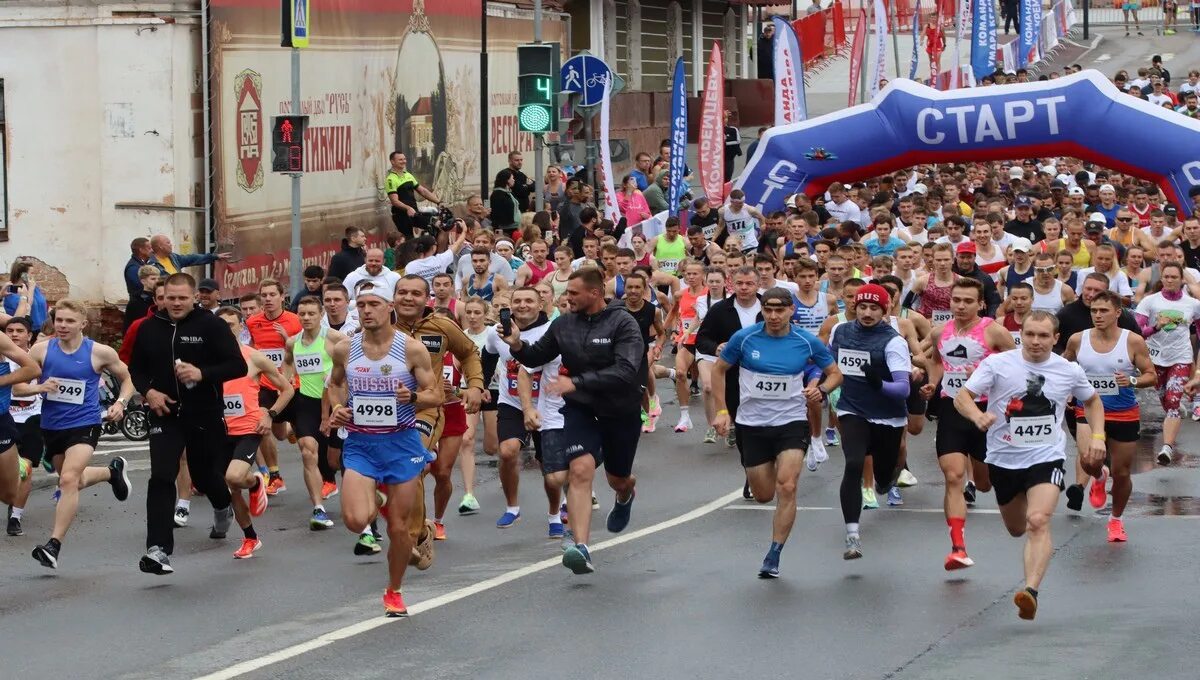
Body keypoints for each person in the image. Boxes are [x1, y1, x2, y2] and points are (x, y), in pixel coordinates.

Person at [955, 311, 1106, 621]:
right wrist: (976, 415)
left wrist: (1099, 437)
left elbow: (1092, 401)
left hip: (1046, 457)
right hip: (1002, 458)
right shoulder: (999, 364)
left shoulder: (1067, 370)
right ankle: (1030, 573)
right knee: (1017, 528)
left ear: (1055, 338)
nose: (1036, 341)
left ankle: (1030, 592)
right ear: (1022, 334)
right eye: (1031, 334)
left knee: (1038, 520)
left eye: (1043, 336)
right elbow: (963, 396)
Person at [502, 268, 644, 574]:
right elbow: (534, 357)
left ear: (594, 293)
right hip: (581, 410)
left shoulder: (623, 323)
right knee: (579, 470)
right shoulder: (563, 325)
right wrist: (516, 344)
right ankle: (581, 547)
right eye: (566, 294)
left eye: (573, 293)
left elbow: (627, 370)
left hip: (620, 411)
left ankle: (625, 494)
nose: (567, 298)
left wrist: (577, 381)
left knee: (618, 478)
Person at [326, 283, 442, 617]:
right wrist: (337, 407)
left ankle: (394, 591)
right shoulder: (346, 348)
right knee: (354, 520)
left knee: (399, 529)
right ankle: (374, 498)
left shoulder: (411, 349)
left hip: (401, 445)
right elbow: (335, 385)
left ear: (389, 306)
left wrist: (415, 398)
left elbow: (435, 393)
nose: (366, 310)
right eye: (360, 305)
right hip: (361, 445)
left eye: (373, 304)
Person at [711, 287, 840, 577]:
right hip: (752, 424)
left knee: (788, 486)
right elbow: (719, 370)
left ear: (791, 311)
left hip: (791, 422)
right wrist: (722, 411)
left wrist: (821, 390)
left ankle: (774, 553)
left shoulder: (806, 342)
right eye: (768, 310)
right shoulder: (745, 338)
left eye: (780, 310)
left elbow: (835, 373)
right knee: (763, 495)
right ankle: (755, 473)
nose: (773, 316)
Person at [125, 275, 246, 574]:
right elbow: (136, 368)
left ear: (194, 297)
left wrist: (202, 373)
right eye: (170, 298)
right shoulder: (148, 328)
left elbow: (237, 365)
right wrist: (149, 392)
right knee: (162, 476)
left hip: (203, 414)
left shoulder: (210, 325)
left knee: (205, 477)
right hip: (165, 414)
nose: (176, 303)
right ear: (161, 298)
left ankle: (222, 506)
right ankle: (158, 549)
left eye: (182, 298)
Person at [28, 300, 135, 570]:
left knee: (67, 479)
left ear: (82, 324)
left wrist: (120, 403)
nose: (62, 326)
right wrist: (39, 387)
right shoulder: (41, 349)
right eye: (59, 320)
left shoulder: (99, 352)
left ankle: (53, 545)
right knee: (71, 481)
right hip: (52, 426)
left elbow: (127, 378)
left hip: (85, 423)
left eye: (69, 321)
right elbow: (21, 383)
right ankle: (112, 472)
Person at [392, 275, 486, 567]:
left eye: (416, 294)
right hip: (386, 412)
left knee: (413, 463)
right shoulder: (379, 328)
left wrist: (474, 385)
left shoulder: (442, 326)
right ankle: (423, 530)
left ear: (426, 298)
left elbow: (469, 352)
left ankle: (410, 538)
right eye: (402, 293)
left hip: (426, 410)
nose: (409, 298)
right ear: (393, 297)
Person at [924, 278, 1015, 569]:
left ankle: (985, 481)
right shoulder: (940, 332)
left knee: (986, 483)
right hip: (952, 409)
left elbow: (1017, 367)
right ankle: (958, 547)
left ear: (981, 304)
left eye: (967, 301)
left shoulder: (994, 332)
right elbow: (936, 360)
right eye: (956, 300)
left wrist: (988, 371)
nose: (960, 306)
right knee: (953, 476)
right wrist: (931, 380)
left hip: (986, 412)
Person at [1063, 291, 1155, 542]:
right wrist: (1068, 391)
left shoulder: (1133, 341)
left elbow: (1151, 375)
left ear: (1117, 313)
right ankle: (1098, 476)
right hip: (1088, 410)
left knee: (1122, 473)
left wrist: (1133, 379)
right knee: (1088, 461)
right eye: (1093, 310)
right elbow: (1062, 368)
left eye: (1103, 310)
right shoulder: (1077, 340)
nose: (1097, 315)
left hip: (1123, 412)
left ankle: (1115, 521)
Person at [829, 284, 912, 560]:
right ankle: (852, 535)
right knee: (853, 463)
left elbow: (903, 389)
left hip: (888, 416)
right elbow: (827, 364)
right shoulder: (840, 332)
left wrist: (879, 383)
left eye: (874, 308)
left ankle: (889, 477)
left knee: (884, 476)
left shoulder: (893, 341)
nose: (866, 312)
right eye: (862, 306)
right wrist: (817, 384)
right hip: (852, 409)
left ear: (885, 309)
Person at [215, 307, 293, 559]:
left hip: (248, 428)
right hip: (218, 430)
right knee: (231, 487)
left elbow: (287, 389)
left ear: (241, 328)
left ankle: (256, 480)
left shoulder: (253, 358)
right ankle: (250, 537)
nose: (226, 330)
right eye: (221, 325)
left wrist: (269, 414)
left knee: (236, 477)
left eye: (231, 325)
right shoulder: (206, 360)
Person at [481, 287, 551, 531]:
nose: (523, 305)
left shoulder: (552, 330)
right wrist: (481, 383)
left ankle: (561, 504)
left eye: (529, 300)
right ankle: (512, 508)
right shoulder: (495, 332)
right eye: (517, 301)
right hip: (510, 401)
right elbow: (488, 355)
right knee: (508, 451)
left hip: (546, 404)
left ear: (540, 304)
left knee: (548, 461)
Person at [284, 297, 348, 529]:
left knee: (335, 460)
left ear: (321, 315)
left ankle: (362, 493)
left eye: (312, 313)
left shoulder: (335, 339)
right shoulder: (293, 342)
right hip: (306, 404)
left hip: (335, 405)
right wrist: (287, 379)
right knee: (308, 452)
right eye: (302, 314)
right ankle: (318, 509)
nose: (307, 318)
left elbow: (351, 366)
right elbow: (288, 363)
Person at [1134, 263, 1200, 465]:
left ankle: (1167, 448)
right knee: (1165, 398)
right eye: (1166, 277)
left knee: (1172, 401)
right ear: (1161, 279)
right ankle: (1174, 413)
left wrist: (1197, 371)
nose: (1170, 280)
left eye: (1174, 277)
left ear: (1182, 280)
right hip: (1155, 358)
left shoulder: (1193, 304)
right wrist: (1156, 326)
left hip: (1181, 357)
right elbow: (1137, 330)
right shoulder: (1150, 302)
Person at [245, 279, 302, 495]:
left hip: (292, 385)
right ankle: (275, 476)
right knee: (263, 424)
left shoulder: (295, 321)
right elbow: (252, 347)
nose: (268, 299)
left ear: (281, 296)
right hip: (266, 384)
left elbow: (305, 350)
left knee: (280, 434)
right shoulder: (253, 322)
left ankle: (290, 431)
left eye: (272, 294)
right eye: (264, 295)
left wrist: (288, 341)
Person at [4, 317, 44, 536]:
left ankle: (15, 516)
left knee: (25, 469)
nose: (14, 334)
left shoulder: (37, 357)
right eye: (10, 330)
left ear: (29, 335)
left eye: (20, 330)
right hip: (6, 418)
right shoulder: (2, 356)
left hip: (32, 418)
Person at [386, 151, 442, 239]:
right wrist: (407, 208)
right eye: (400, 159)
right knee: (409, 240)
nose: (403, 161)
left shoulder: (408, 175)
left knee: (436, 226)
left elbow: (423, 191)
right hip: (401, 215)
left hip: (414, 212)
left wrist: (439, 202)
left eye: (404, 159)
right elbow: (394, 201)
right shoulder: (391, 179)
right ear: (392, 162)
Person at [148, 234, 228, 276]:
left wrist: (214, 256)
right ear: (160, 246)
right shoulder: (151, 265)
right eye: (168, 243)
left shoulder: (174, 257)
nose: (171, 245)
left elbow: (192, 258)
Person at [4, 259, 48, 334]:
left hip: (44, 330)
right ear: (23, 275)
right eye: (32, 273)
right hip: (29, 331)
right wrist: (30, 290)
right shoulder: (11, 292)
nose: (33, 276)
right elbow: (26, 308)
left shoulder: (34, 288)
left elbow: (43, 304)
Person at [123, 265, 160, 331]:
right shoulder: (136, 301)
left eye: (158, 279)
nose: (157, 281)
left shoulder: (162, 297)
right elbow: (128, 326)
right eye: (153, 279)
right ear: (143, 281)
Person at [489, 169, 521, 237]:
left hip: (513, 226)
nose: (514, 180)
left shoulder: (508, 192)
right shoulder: (497, 194)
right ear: (507, 180)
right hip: (504, 229)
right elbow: (497, 214)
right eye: (512, 178)